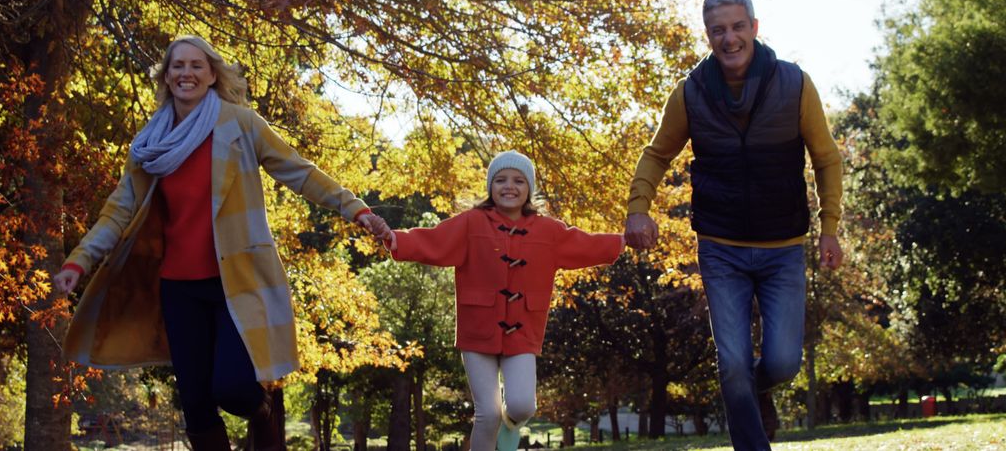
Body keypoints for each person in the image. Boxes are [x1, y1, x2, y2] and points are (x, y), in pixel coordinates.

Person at [52, 35, 393, 451]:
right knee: (195, 404)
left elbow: (300, 173)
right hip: (178, 288)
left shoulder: (240, 124)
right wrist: (78, 262)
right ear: (166, 76)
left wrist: (358, 211)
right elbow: (119, 210)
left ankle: (263, 411)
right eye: (177, 66)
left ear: (212, 74)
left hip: (236, 281)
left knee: (232, 389)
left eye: (197, 65)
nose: (186, 73)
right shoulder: (150, 144)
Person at [624, 0, 844, 450]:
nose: (730, 38)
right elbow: (656, 154)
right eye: (718, 30)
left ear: (754, 28)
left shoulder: (794, 85)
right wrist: (638, 209)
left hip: (782, 246)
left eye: (737, 27)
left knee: (783, 362)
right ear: (708, 37)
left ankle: (755, 391)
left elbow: (826, 158)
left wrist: (829, 228)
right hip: (721, 247)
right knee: (733, 365)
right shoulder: (691, 93)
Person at [382, 151, 624, 451]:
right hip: (477, 328)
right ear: (490, 186)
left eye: (518, 181)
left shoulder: (548, 230)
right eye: (500, 180)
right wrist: (398, 240)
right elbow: (434, 240)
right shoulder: (471, 223)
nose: (509, 186)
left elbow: (584, 243)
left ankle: (510, 426)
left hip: (523, 330)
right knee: (488, 413)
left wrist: (622, 241)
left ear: (529, 189)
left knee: (522, 407)